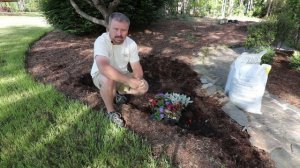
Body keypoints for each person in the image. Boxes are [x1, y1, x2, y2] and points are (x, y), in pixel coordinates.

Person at [90, 12, 149, 127]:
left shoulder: (131, 44)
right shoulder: (101, 41)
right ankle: (111, 112)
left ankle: (119, 94)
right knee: (109, 79)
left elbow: (136, 66)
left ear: (128, 30)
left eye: (123, 30)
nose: (119, 34)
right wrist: (129, 81)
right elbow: (103, 67)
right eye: (115, 29)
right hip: (101, 75)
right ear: (108, 28)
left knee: (144, 86)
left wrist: (138, 80)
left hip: (121, 74)